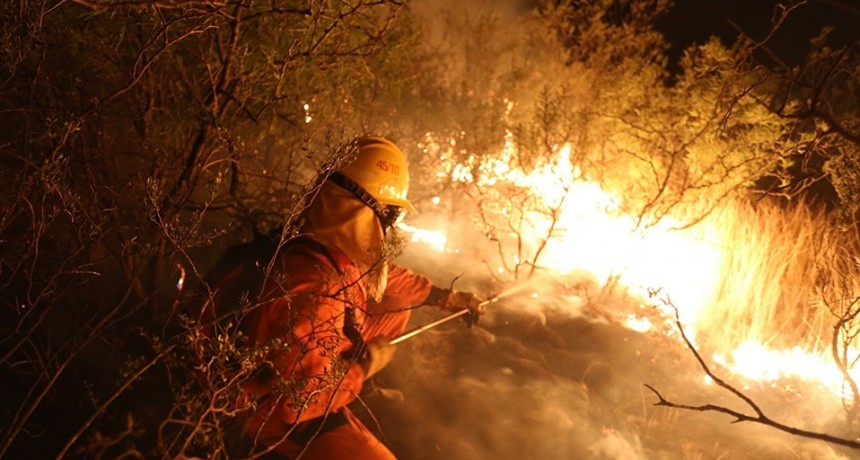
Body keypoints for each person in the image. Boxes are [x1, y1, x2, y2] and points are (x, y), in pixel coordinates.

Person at [194, 136, 485, 459]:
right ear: (370, 210)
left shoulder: (314, 241)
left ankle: (346, 388)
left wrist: (445, 296)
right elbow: (295, 403)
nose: (389, 225)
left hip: (271, 362)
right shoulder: (321, 291)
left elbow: (386, 277)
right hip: (266, 410)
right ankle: (327, 409)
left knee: (397, 304)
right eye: (391, 214)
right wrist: (362, 366)